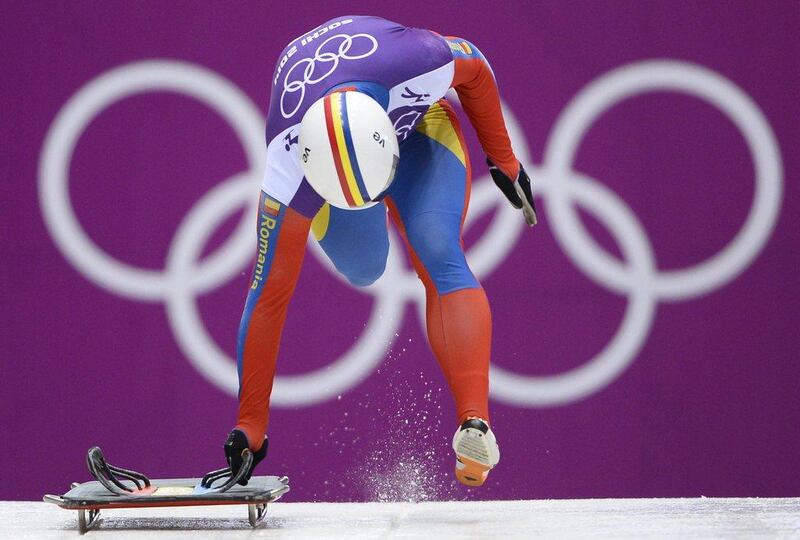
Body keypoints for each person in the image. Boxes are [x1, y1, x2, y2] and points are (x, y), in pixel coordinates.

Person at [223, 15, 537, 488]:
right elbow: (267, 298)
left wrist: (504, 158)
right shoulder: (287, 169)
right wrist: (250, 428)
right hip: (332, 153)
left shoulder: (419, 60)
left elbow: (475, 67)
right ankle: (351, 199)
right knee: (365, 266)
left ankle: (476, 422)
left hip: (417, 131)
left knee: (436, 249)